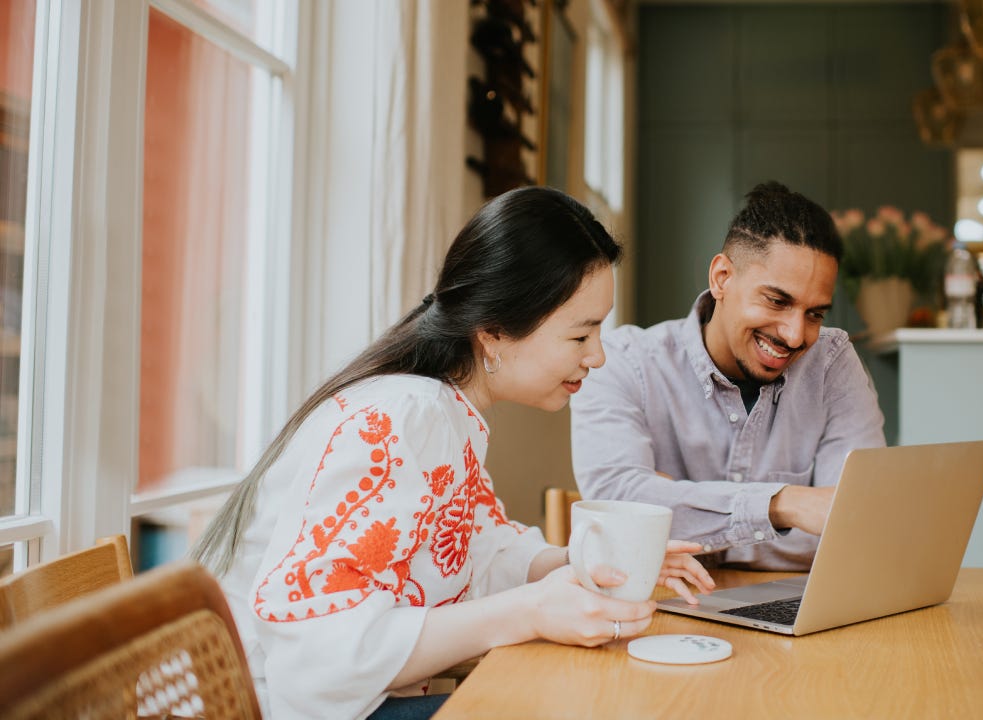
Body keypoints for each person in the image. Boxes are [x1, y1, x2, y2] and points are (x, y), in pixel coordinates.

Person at [191, 187, 714, 720]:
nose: (597, 356)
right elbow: (320, 653)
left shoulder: (440, 413)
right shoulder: (400, 419)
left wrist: (592, 562)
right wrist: (531, 611)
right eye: (581, 335)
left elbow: (477, 550)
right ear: (494, 334)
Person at [570, 181, 886, 572]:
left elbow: (857, 525)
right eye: (777, 301)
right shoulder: (623, 363)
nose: (794, 334)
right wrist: (785, 505)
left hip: (797, 615)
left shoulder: (832, 363)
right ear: (721, 277)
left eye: (815, 314)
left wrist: (676, 504)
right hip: (663, 609)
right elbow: (619, 508)